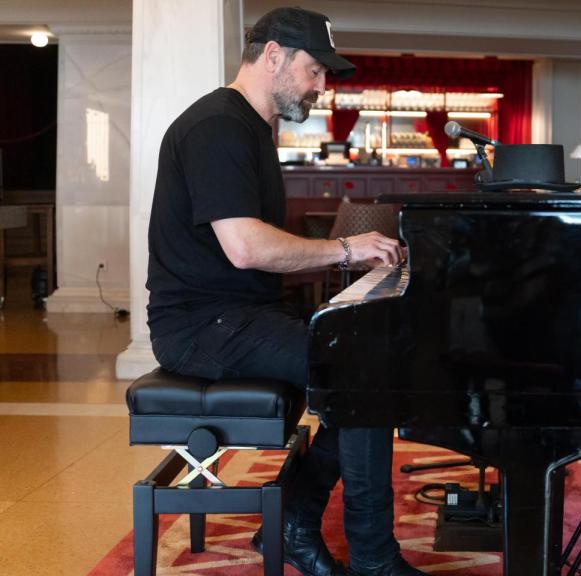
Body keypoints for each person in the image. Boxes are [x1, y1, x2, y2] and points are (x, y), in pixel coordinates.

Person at [146, 7, 424, 576]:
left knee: (360, 365)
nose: (322, 86)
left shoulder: (249, 127)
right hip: (202, 328)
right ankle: (371, 559)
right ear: (272, 55)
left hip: (239, 317)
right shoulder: (216, 127)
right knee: (360, 373)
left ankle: (295, 521)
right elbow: (247, 249)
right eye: (314, 70)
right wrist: (347, 250)